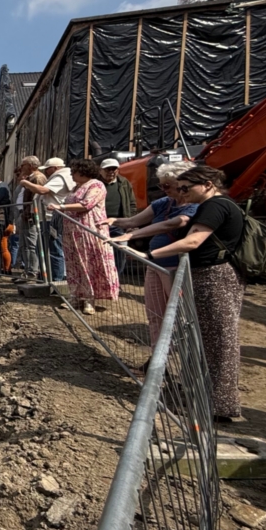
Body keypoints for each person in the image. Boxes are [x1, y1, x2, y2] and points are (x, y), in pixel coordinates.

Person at [150, 165, 246, 422]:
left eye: (186, 188)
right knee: (207, 338)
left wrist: (150, 254)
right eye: (179, 188)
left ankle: (218, 404)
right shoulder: (213, 205)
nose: (181, 193)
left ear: (208, 184)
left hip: (213, 277)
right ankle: (203, 398)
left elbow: (193, 241)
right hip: (209, 275)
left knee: (218, 340)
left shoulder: (215, 206)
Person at [110, 162, 198, 344]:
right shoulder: (163, 203)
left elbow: (173, 223)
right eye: (161, 185)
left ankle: (185, 352)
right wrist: (112, 221)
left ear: (181, 184)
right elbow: (133, 221)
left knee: (181, 313)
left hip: (175, 267)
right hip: (155, 265)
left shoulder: (195, 207)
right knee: (155, 312)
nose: (163, 190)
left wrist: (132, 234)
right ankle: (157, 353)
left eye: (167, 185)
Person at [48, 159, 119, 315]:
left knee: (87, 264)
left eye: (74, 172)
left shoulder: (96, 185)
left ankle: (89, 299)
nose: (72, 175)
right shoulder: (76, 187)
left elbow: (87, 204)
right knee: (74, 265)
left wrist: (61, 206)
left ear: (83, 172)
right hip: (72, 232)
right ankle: (75, 296)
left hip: (88, 231)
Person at [21, 158, 74, 281]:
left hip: (52, 217)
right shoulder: (61, 176)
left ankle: (55, 279)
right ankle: (48, 276)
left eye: (48, 169)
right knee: (46, 248)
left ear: (55, 168)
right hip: (49, 216)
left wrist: (26, 183)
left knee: (53, 249)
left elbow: (43, 190)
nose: (46, 172)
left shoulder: (60, 177)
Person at [101, 158, 137, 275]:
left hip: (119, 222)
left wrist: (131, 222)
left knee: (120, 252)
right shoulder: (95, 183)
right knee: (100, 251)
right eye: (108, 169)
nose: (111, 172)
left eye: (114, 169)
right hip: (100, 223)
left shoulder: (124, 182)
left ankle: (117, 277)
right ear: (101, 170)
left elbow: (132, 203)